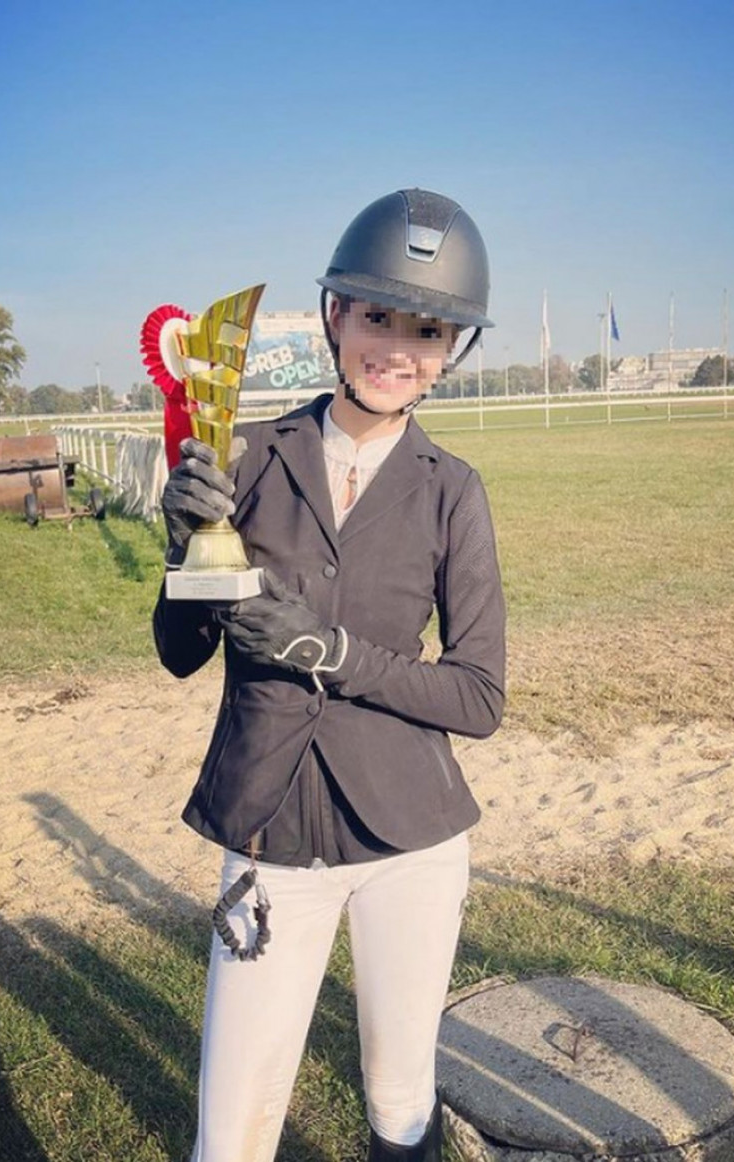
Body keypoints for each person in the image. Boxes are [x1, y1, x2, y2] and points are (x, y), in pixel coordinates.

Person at [154, 188, 506, 1162]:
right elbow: (181, 652)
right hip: (267, 831)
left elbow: (479, 694)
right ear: (335, 314)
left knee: (399, 1099)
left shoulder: (453, 490)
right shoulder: (248, 454)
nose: (398, 349)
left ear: (451, 349)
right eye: (378, 316)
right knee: (231, 1125)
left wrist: (325, 649)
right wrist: (184, 550)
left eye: (427, 330)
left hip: (412, 841)